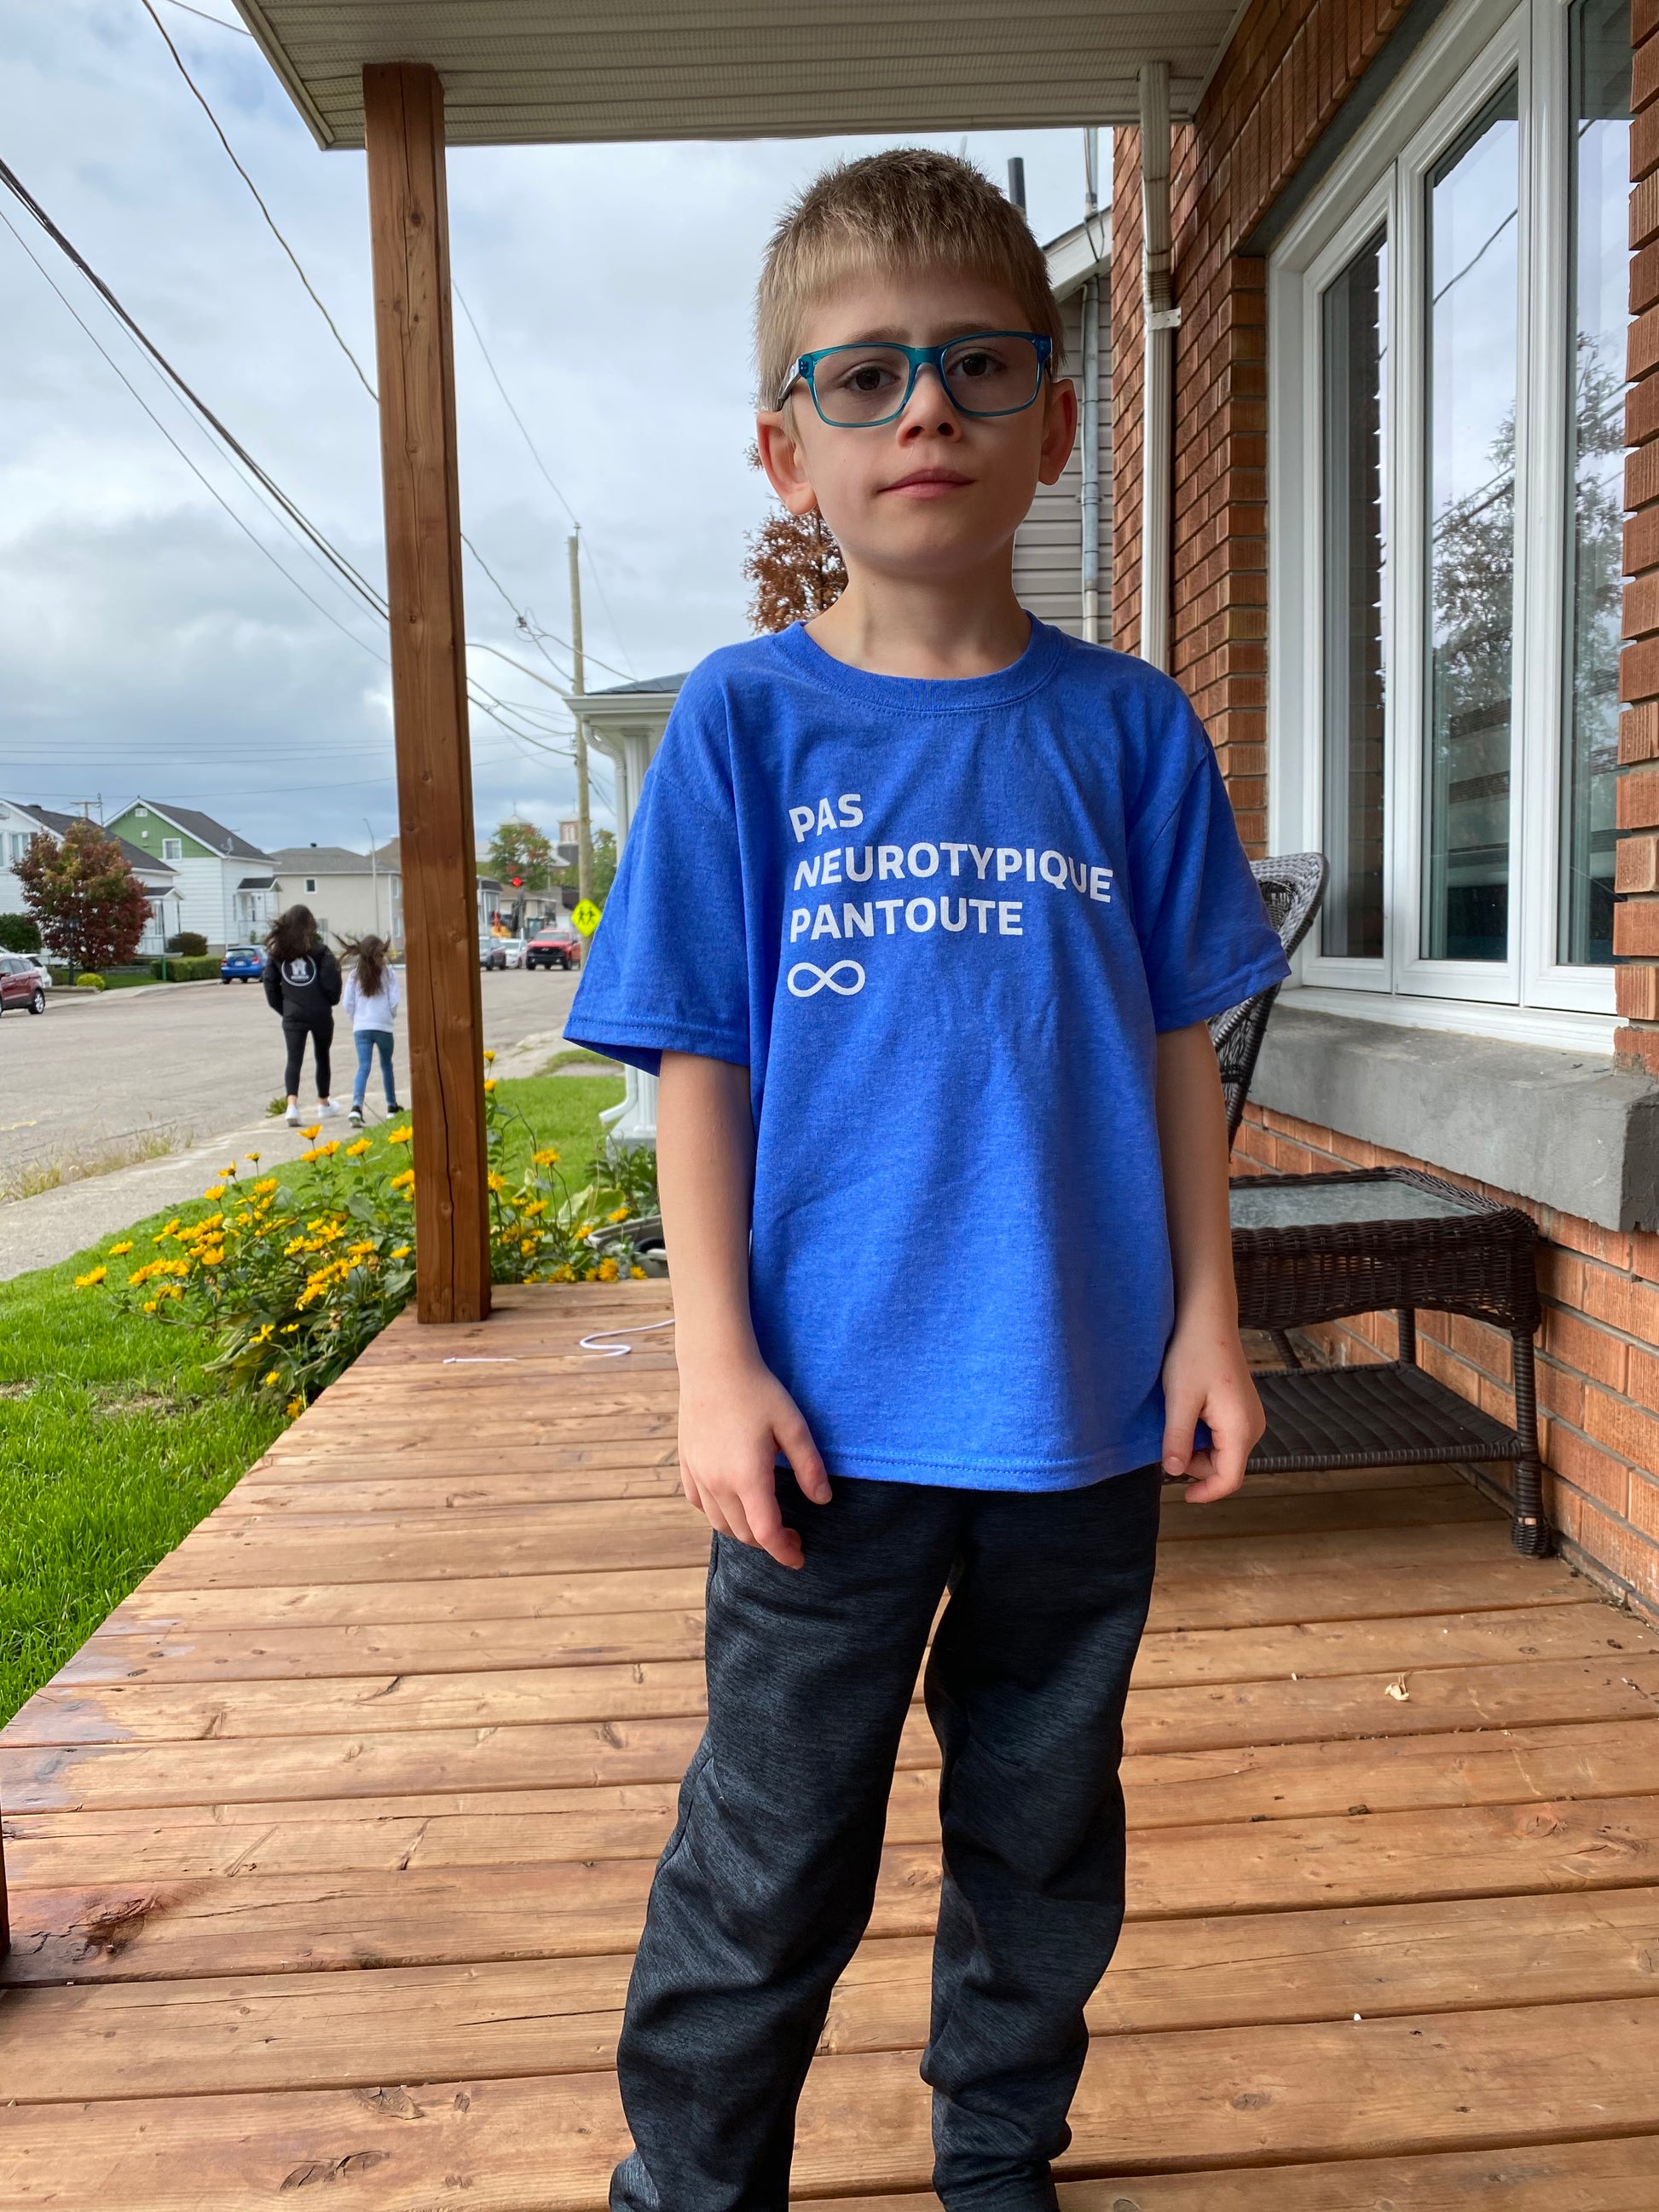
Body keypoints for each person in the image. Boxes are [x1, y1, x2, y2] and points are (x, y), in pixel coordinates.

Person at [566, 148, 1290, 2211]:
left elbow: (1179, 1054)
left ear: (1060, 416)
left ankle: (1000, 2159)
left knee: (1043, 1827)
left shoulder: (1132, 731)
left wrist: (1209, 1325)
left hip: (1073, 1411)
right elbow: (694, 1056)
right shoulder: (745, 724)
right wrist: (715, 1363)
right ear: (783, 448)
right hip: (825, 1425)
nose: (929, 416)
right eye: (864, 378)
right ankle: (695, 2180)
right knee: (772, 1837)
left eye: (979, 366)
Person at [262, 904, 343, 1127]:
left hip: (293, 1015)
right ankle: (323, 1103)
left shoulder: (277, 954)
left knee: (293, 1059)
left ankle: (292, 1106)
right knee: (322, 1056)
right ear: (310, 925)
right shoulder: (322, 952)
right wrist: (329, 1001)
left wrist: (285, 1008)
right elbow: (332, 985)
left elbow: (270, 985)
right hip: (320, 1013)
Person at [341, 933, 404, 1127]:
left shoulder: (354, 976)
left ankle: (356, 1106)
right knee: (386, 1066)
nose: (382, 959)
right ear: (374, 956)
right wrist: (389, 1016)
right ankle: (391, 1106)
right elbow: (394, 1000)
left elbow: (347, 1003)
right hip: (383, 1027)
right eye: (380, 955)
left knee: (364, 1067)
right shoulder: (388, 974)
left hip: (361, 1028)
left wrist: (357, 1020)